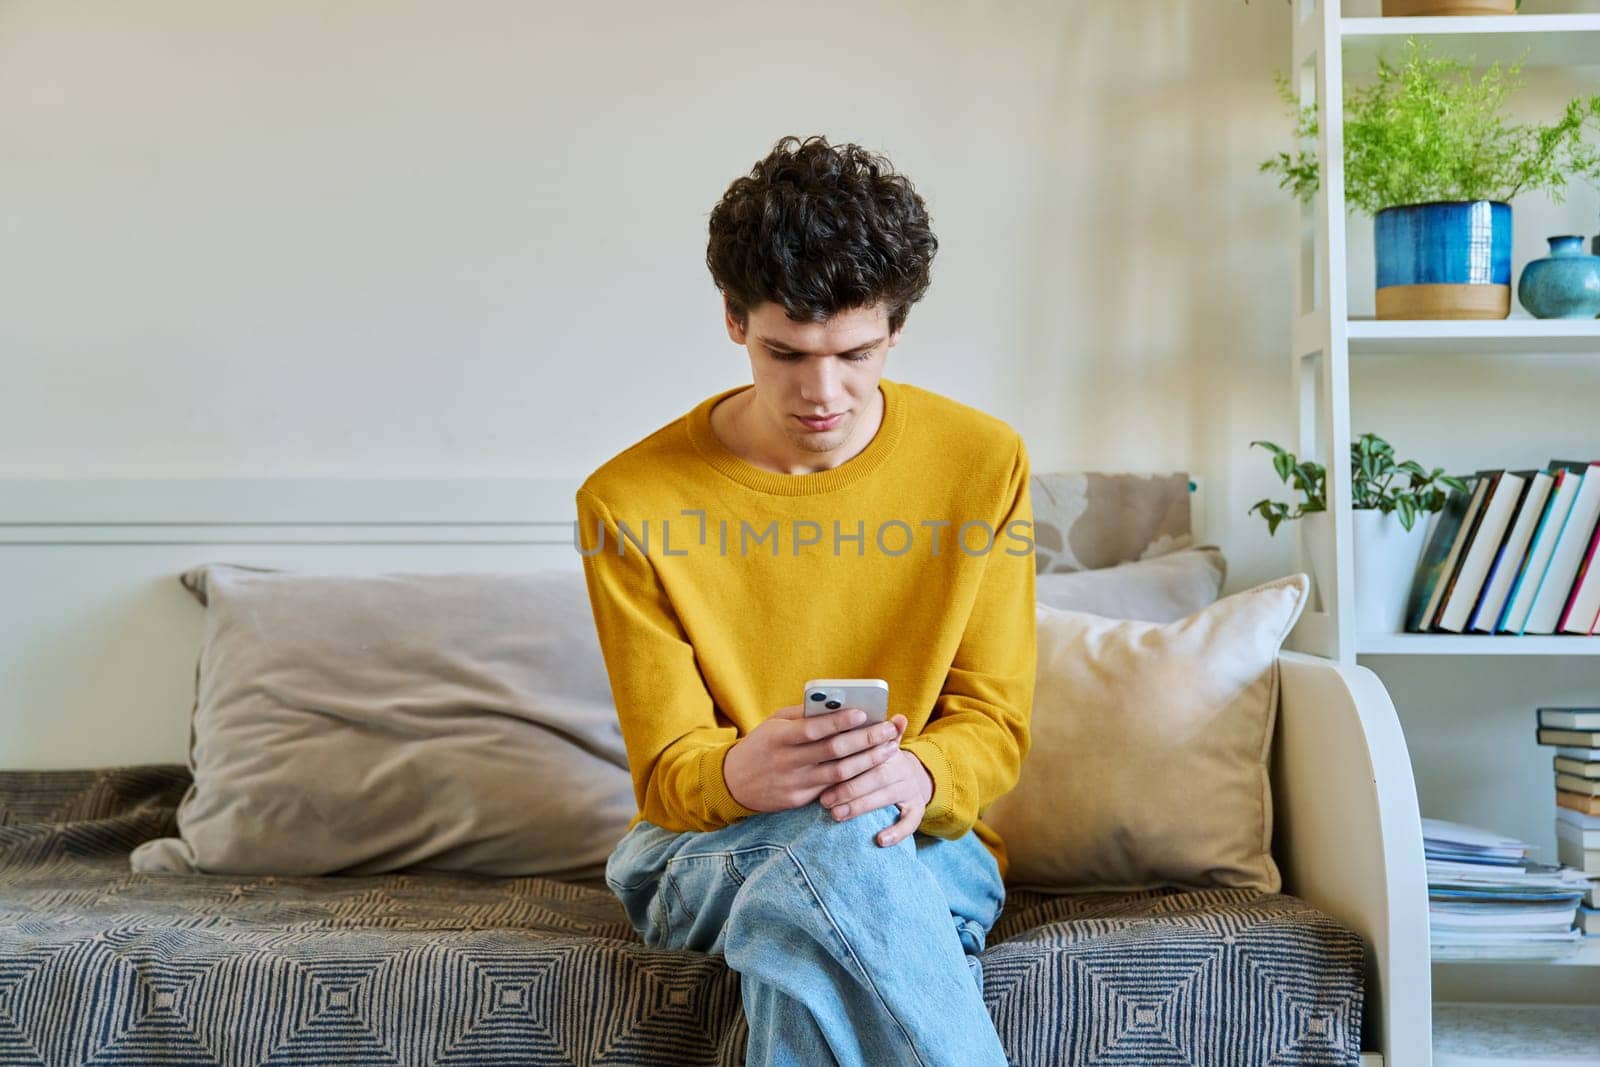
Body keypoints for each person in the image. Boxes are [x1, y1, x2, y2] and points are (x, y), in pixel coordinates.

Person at [574, 133, 1035, 1067]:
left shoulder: (985, 465)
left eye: (857, 352)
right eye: (786, 351)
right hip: (698, 855)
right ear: (734, 321)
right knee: (842, 848)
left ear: (897, 328)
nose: (822, 392)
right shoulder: (627, 502)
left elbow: (994, 724)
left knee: (827, 895)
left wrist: (918, 776)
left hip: (928, 842)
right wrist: (745, 771)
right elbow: (668, 772)